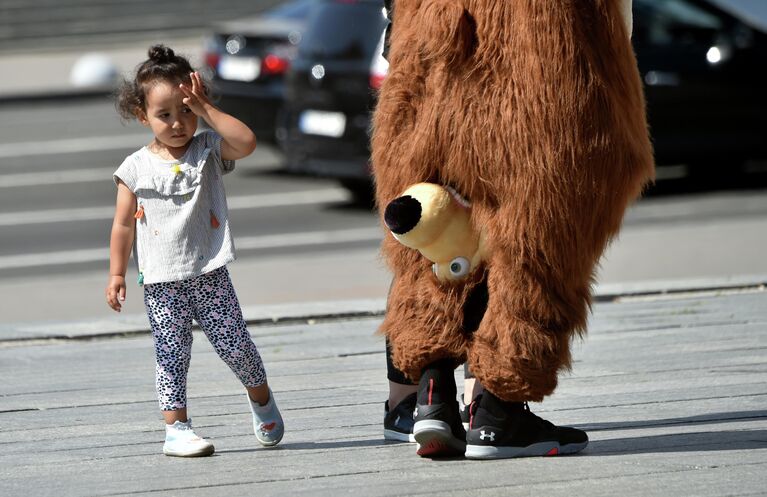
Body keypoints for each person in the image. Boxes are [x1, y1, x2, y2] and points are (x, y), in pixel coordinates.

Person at [373, 0, 653, 460]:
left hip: (430, 36)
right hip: (538, 41)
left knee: (438, 222)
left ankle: (433, 397)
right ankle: (499, 411)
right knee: (537, 229)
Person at [105, 45, 284, 457]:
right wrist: (116, 274)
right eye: (164, 114)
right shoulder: (133, 168)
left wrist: (205, 108)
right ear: (142, 115)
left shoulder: (206, 150)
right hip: (162, 283)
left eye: (185, 111)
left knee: (237, 347)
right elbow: (121, 224)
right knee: (170, 354)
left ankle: (261, 399)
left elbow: (247, 142)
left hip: (209, 273)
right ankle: (177, 429)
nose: (177, 123)